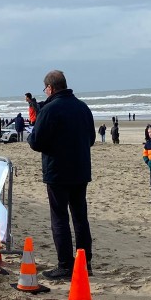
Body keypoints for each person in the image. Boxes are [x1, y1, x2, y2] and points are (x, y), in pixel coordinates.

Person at [27, 70, 96, 279]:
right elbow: (91, 138)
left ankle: (66, 265)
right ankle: (85, 264)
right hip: (80, 169)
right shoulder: (83, 107)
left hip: (58, 171)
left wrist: (34, 138)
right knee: (80, 217)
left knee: (60, 218)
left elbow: (36, 141)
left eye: (45, 89)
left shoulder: (50, 109)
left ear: (50, 88)